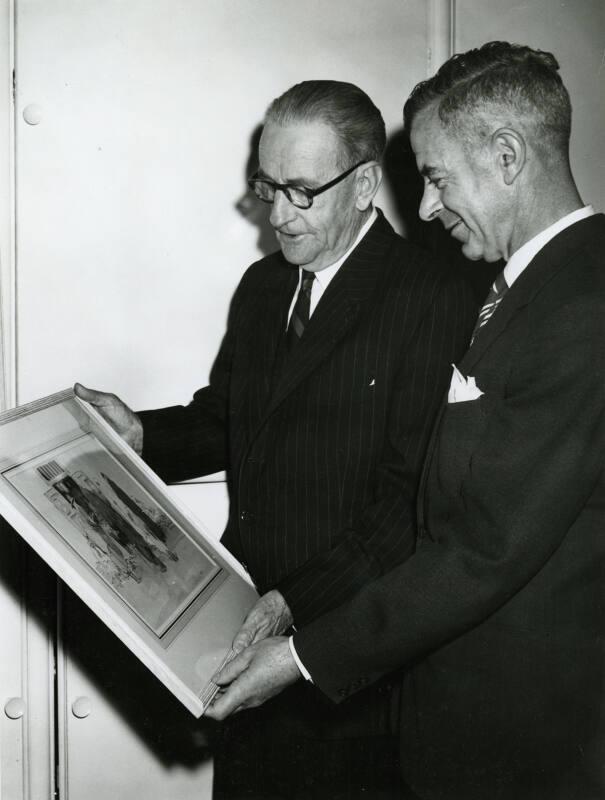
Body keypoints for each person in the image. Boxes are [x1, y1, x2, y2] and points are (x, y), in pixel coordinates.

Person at [206, 44, 605, 800]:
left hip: (527, 740)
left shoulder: (583, 306)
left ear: (507, 156)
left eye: (436, 177)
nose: (422, 207)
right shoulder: (527, 289)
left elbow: (483, 548)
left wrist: (301, 656)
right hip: (466, 719)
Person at [76, 79, 475, 799]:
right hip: (243, 632)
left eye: (301, 192)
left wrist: (291, 603)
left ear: (363, 187)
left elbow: (405, 505)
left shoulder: (432, 295)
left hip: (348, 671)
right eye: (268, 187)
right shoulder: (264, 286)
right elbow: (228, 418)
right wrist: (141, 431)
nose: (279, 215)